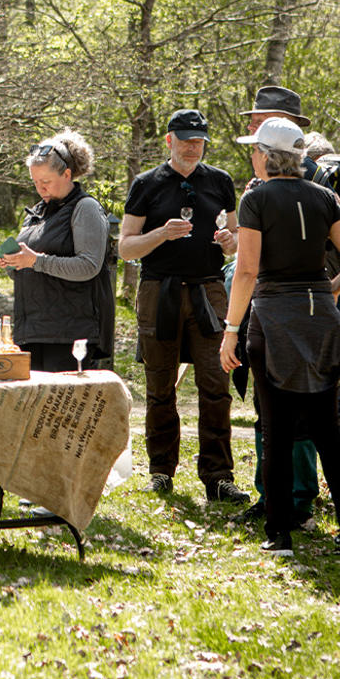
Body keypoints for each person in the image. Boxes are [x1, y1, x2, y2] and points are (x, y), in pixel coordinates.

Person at [220, 118, 340, 556]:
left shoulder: (256, 198)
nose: (252, 156)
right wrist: (331, 290)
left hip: (274, 317)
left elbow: (246, 271)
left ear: (268, 156)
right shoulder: (325, 196)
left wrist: (231, 330)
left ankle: (279, 533)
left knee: (276, 427)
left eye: (255, 149)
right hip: (322, 317)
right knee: (327, 425)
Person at [119, 109, 249, 505]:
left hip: (209, 290)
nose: (193, 148)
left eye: (199, 141)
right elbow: (126, 247)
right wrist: (161, 234)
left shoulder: (220, 181)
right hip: (159, 290)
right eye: (185, 140)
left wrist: (230, 242)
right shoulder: (147, 184)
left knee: (216, 386)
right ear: (169, 141)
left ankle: (218, 477)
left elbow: (236, 238)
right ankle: (160, 471)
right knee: (160, 386)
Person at [0, 129, 113, 372]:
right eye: (35, 182)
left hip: (69, 333)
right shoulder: (35, 213)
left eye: (46, 182)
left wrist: (36, 261)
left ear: (67, 174)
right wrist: (13, 263)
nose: (40, 188)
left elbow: (89, 266)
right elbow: (30, 269)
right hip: (31, 331)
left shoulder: (85, 208)